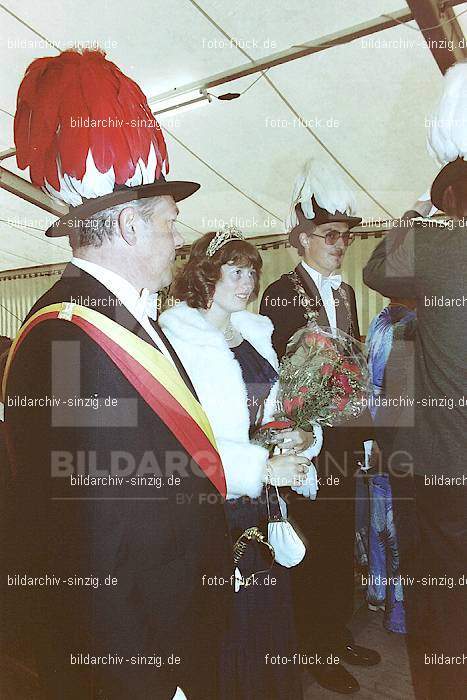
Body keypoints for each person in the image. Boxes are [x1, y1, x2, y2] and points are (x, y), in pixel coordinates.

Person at [1, 50, 231, 700]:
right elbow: (92, 552)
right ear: (128, 224)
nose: (177, 238)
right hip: (137, 661)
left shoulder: (114, 318)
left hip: (173, 626)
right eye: (169, 221)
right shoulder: (71, 339)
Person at [160, 226, 320, 700]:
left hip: (265, 504)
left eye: (252, 271)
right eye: (236, 270)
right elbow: (183, 440)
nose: (248, 282)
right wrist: (260, 468)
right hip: (216, 504)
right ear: (205, 274)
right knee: (230, 621)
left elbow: (281, 410)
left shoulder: (255, 332)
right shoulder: (177, 337)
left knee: (268, 616)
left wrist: (303, 435)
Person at [260, 160, 380, 695]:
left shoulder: (346, 293)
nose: (341, 245)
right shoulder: (281, 291)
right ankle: (313, 646)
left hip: (344, 438)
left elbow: (349, 362)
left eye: (346, 237)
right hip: (306, 443)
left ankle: (334, 631)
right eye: (331, 236)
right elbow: (283, 378)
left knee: (340, 538)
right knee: (316, 544)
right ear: (303, 238)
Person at [363, 297, 417, 634]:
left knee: (385, 524)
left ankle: (383, 597)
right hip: (391, 438)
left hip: (385, 436)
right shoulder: (400, 323)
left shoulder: (388, 320)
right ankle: (395, 609)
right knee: (391, 526)